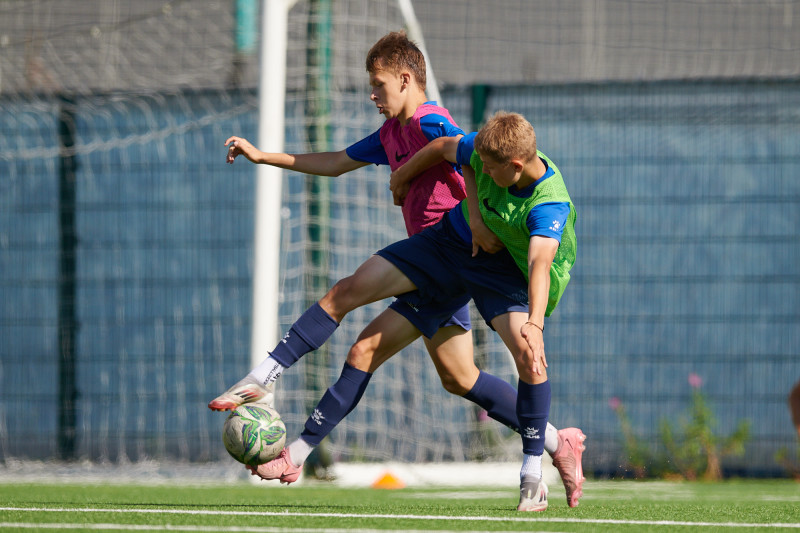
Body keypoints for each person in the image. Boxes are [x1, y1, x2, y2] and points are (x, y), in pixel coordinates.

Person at [214, 32, 585, 507]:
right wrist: (264, 156)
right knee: (454, 376)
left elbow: (466, 161)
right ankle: (558, 442)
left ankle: (279, 414)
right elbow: (338, 161)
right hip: (436, 255)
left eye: (378, 85)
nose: (372, 95)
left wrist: (471, 218)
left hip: (467, 260)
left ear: (406, 79)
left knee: (359, 317)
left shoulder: (435, 122)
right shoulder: (392, 133)